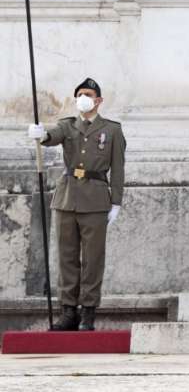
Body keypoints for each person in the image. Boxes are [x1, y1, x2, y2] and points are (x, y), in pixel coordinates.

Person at [27, 77, 126, 331]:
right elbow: (53, 136)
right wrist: (43, 135)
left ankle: (88, 312)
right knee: (67, 257)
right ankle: (68, 311)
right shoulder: (68, 125)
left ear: (98, 100)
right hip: (67, 198)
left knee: (93, 259)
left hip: (96, 200)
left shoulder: (112, 130)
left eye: (88, 94)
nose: (83, 98)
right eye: (80, 94)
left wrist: (116, 202)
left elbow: (117, 170)